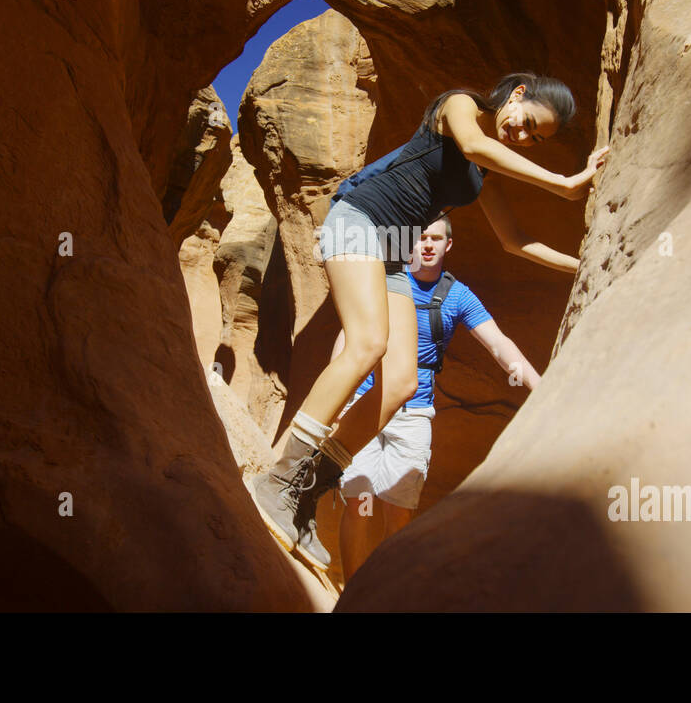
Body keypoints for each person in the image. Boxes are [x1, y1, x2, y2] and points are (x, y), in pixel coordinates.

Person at [248, 72, 608, 565]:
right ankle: (279, 479)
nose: (522, 136)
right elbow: (475, 144)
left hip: (394, 251)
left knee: (399, 384)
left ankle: (305, 494)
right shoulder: (459, 106)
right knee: (368, 344)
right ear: (517, 95)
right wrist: (563, 184)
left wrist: (585, 264)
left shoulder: (481, 174)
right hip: (359, 220)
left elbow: (513, 240)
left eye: (535, 138)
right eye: (527, 123)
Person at [328, 214, 543, 577]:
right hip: (365, 404)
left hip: (413, 414)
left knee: (398, 513)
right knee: (359, 503)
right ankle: (352, 596)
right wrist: (336, 397)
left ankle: (390, 595)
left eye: (436, 239)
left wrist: (540, 387)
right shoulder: (386, 281)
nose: (427, 245)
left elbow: (497, 343)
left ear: (448, 245)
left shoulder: (457, 295)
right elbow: (350, 334)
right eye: (421, 237)